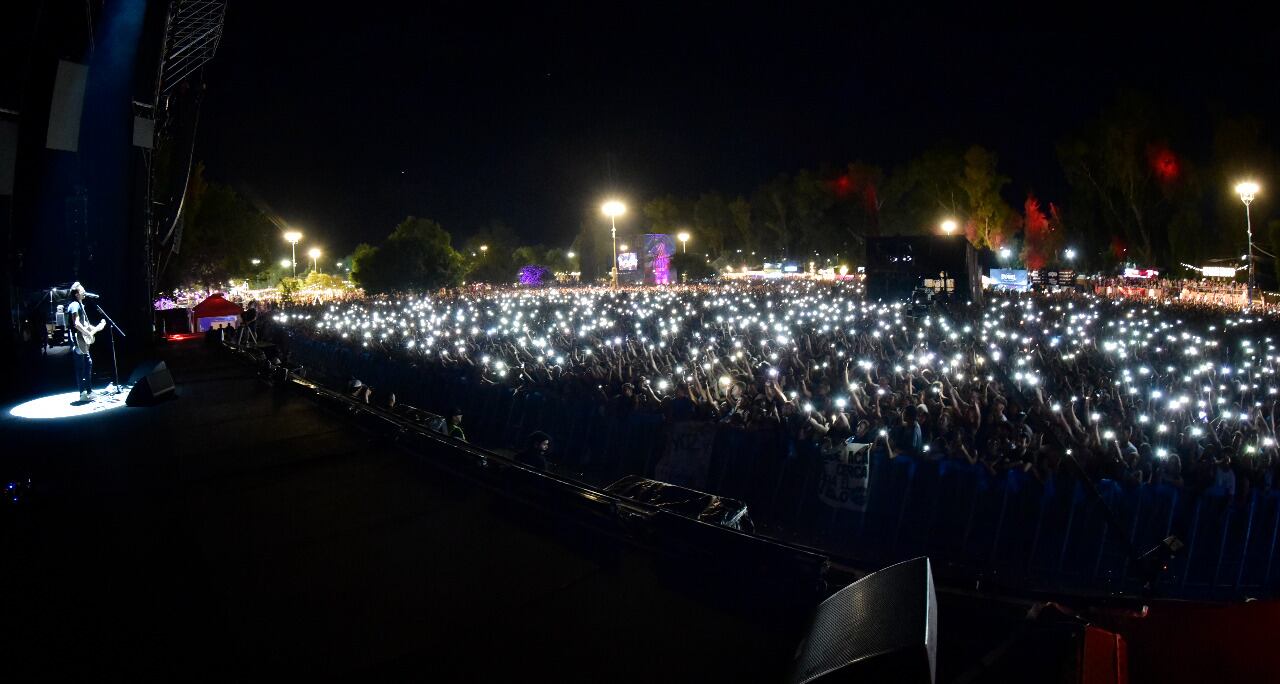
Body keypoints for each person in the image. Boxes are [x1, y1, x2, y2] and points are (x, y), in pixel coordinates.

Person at [67, 282, 104, 402]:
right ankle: (83, 393)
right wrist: (88, 333)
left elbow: (86, 325)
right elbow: (76, 323)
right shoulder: (74, 305)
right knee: (81, 366)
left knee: (88, 363)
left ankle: (88, 390)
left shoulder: (81, 306)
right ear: (77, 294)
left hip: (82, 341)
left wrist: (98, 327)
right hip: (78, 340)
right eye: (82, 290)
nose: (84, 291)